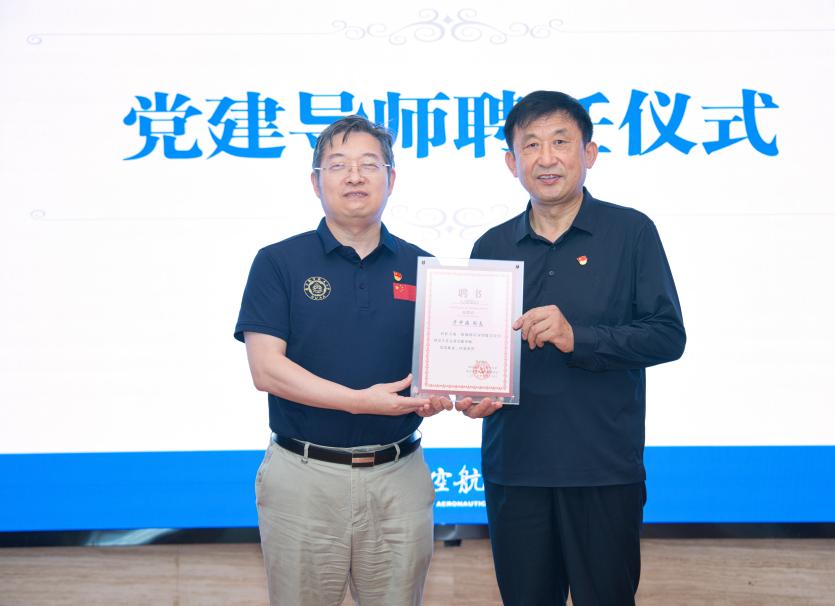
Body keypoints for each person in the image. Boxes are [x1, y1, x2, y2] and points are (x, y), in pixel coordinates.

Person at [459, 90, 686, 605]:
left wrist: (575, 337)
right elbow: (479, 350)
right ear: (511, 162)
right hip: (515, 467)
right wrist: (472, 391)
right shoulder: (491, 246)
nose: (547, 158)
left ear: (590, 153)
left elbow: (667, 334)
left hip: (601, 467)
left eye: (561, 142)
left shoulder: (631, 232)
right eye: (531, 145)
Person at [234, 115, 451, 606]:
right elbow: (266, 369)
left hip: (399, 477)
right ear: (316, 182)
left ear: (391, 178)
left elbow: (441, 363)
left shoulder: (425, 267)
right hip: (304, 477)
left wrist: (446, 393)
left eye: (369, 164)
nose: (355, 176)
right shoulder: (278, 262)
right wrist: (359, 401)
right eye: (338, 165)